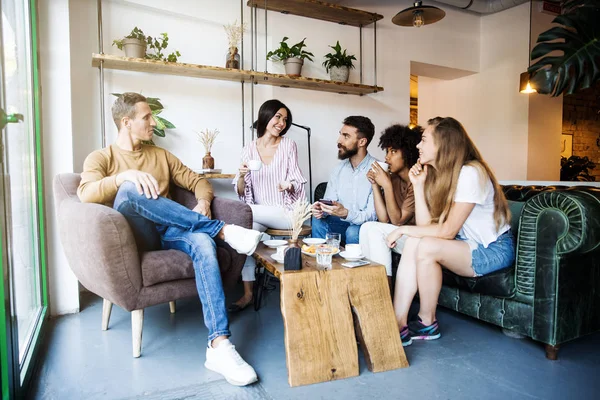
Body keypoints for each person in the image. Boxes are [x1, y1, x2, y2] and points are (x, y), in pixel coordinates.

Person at [77, 92, 261, 386]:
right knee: (130, 189)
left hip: (172, 229)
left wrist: (202, 201)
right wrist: (126, 176)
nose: (153, 122)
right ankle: (222, 229)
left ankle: (219, 345)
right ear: (126, 122)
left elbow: (198, 181)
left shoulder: (160, 155)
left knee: (203, 242)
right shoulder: (102, 157)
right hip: (138, 235)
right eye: (147, 117)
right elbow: (85, 193)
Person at [385, 117, 515, 347]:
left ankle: (427, 321)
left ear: (443, 144)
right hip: (466, 244)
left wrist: (403, 229)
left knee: (423, 244)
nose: (418, 145)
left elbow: (446, 231)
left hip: (492, 250)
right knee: (418, 242)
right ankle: (399, 321)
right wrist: (418, 185)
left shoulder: (471, 173)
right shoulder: (443, 174)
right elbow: (428, 227)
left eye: (424, 140)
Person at [230, 99, 307, 312]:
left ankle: (226, 224)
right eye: (278, 117)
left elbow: (298, 181)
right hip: (257, 212)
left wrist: (287, 184)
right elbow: (240, 190)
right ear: (266, 116)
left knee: (242, 214)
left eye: (285, 119)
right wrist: (243, 176)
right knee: (246, 234)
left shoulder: (288, 145)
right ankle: (247, 294)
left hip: (285, 211)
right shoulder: (248, 150)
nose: (282, 123)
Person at [359, 124, 422, 283]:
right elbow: (383, 219)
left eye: (393, 151)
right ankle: (372, 285)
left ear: (408, 153)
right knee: (366, 227)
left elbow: (397, 221)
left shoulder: (418, 181)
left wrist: (386, 185)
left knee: (374, 231)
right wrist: (375, 184)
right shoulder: (393, 179)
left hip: (419, 237)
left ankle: (384, 291)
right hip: (401, 235)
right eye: (387, 151)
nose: (387, 157)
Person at [311, 116, 377, 245]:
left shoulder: (377, 169)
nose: (339, 140)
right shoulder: (338, 169)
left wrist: (346, 214)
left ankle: (355, 264)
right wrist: (322, 210)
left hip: (364, 227)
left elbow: (372, 216)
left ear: (362, 142)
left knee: (352, 231)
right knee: (317, 220)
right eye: (340, 135)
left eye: (346, 136)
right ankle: (322, 260)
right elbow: (330, 202)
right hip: (340, 223)